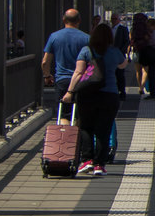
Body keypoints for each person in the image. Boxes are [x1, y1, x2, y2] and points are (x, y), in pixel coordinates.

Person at [62, 23, 127, 176]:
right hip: (110, 95)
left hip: (88, 95)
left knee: (86, 127)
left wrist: (70, 92)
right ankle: (99, 165)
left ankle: (87, 160)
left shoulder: (86, 51)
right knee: (104, 131)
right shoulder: (114, 51)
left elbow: (78, 73)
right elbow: (123, 65)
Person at [41, 10, 89, 125]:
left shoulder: (54, 37)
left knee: (63, 114)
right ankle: (77, 139)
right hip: (81, 81)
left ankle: (66, 139)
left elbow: (45, 62)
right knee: (79, 114)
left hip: (61, 80)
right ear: (79, 21)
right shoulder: (87, 38)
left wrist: (47, 76)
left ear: (64, 20)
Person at [129, 13, 152, 95]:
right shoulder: (146, 30)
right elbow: (149, 40)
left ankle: (139, 86)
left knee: (138, 71)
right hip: (145, 51)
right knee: (145, 70)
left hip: (136, 51)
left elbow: (130, 42)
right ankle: (142, 87)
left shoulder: (132, 30)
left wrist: (128, 55)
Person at [110, 13, 130, 100]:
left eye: (115, 18)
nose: (113, 20)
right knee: (112, 74)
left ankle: (122, 92)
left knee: (120, 74)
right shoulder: (109, 29)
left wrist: (122, 52)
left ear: (118, 20)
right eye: (112, 19)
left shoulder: (123, 29)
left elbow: (127, 41)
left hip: (119, 55)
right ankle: (114, 92)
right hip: (110, 55)